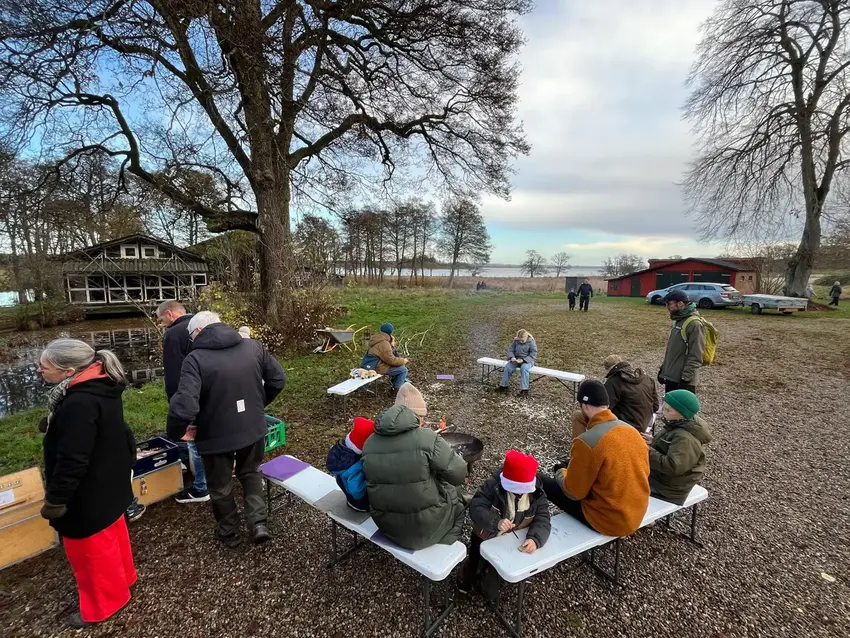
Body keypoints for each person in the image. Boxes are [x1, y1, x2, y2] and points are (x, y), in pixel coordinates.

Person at [38, 339, 137, 629]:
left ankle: (104, 604)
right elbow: (120, 430)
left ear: (67, 371)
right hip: (109, 479)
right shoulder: (102, 385)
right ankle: (125, 578)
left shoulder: (78, 402)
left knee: (89, 550)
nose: (40, 371)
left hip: (89, 489)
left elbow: (72, 459)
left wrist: (56, 499)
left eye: (44, 367)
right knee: (113, 532)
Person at [167, 311, 286, 548]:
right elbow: (277, 380)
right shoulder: (253, 347)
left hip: (215, 435)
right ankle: (258, 522)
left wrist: (176, 432)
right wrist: (257, 405)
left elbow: (185, 405)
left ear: (199, 331)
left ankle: (229, 531)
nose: (191, 341)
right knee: (251, 472)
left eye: (191, 336)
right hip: (252, 428)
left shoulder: (196, 359)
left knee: (220, 484)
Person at [541, 380, 649, 537]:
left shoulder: (588, 441)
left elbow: (573, 492)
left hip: (607, 521)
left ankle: (534, 526)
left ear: (584, 406)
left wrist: (561, 471)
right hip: (636, 513)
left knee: (541, 481)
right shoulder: (631, 431)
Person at [361, 392, 468, 550]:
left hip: (388, 526)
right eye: (423, 417)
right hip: (426, 528)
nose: (424, 421)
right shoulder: (426, 437)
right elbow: (458, 473)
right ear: (416, 416)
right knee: (455, 495)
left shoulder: (369, 442)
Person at [457, 450, 551, 599]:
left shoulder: (537, 493)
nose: (519, 495)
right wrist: (496, 522)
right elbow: (476, 507)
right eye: (515, 491)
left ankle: (490, 580)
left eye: (522, 491)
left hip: (513, 539)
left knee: (493, 585)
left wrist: (535, 539)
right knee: (475, 563)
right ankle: (467, 577)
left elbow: (543, 518)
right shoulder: (493, 485)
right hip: (485, 535)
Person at [156, 300, 208, 504]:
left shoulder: (173, 334)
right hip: (211, 392)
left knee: (193, 440)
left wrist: (175, 403)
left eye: (161, 320)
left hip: (189, 395)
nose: (160, 324)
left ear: (170, 314)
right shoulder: (201, 327)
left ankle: (201, 487)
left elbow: (173, 373)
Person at [642, 390, 711, 505]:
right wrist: (653, 442)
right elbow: (671, 447)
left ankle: (641, 518)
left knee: (626, 481)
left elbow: (673, 467)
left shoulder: (685, 438)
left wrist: (645, 449)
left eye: (668, 410)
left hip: (669, 488)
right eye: (663, 407)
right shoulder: (678, 423)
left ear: (682, 414)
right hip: (665, 479)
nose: (663, 411)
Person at [658, 289, 705, 395]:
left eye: (669, 304)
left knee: (681, 411)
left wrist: (685, 379)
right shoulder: (678, 321)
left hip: (683, 380)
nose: (667, 308)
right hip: (672, 377)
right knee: (670, 408)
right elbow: (673, 350)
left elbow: (696, 355)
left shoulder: (694, 324)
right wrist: (663, 370)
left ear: (680, 304)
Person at [326, 416, 375, 512]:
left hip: (349, 495)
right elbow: (356, 491)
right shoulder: (355, 466)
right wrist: (371, 482)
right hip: (360, 503)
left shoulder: (341, 452)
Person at [602, 355, 659, 432]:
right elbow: (656, 406)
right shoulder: (646, 378)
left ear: (609, 370)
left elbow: (605, 408)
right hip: (647, 423)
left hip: (627, 427)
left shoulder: (613, 382)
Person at [361, 322, 409, 389]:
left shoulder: (378, 339)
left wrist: (391, 345)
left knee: (399, 366)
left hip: (373, 365)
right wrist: (403, 361)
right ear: (391, 332)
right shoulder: (384, 343)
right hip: (377, 368)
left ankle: (395, 385)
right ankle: (396, 390)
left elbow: (387, 355)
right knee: (403, 370)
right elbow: (391, 360)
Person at [496, 329, 538, 396]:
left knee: (524, 368)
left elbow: (533, 354)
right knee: (508, 367)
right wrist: (512, 357)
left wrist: (524, 360)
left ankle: (524, 390)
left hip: (527, 361)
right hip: (516, 359)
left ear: (526, 337)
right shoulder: (516, 341)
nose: (520, 341)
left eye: (522, 340)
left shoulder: (531, 342)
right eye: (519, 339)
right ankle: (503, 386)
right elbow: (510, 350)